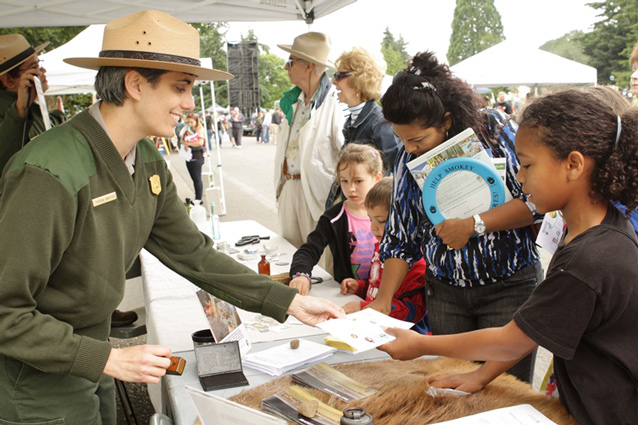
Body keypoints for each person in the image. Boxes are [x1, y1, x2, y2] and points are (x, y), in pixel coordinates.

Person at [0, 11, 344, 424]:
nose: (188, 103)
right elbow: (6, 311)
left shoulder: (145, 159)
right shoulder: (49, 172)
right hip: (36, 382)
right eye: (180, 87)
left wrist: (287, 301)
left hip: (91, 364)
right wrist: (104, 357)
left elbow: (194, 255)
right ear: (133, 84)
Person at [379, 89, 638, 425]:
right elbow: (535, 328)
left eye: (527, 164)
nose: (519, 177)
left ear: (573, 164)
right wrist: (480, 377)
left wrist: (420, 345)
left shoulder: (589, 261)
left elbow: (508, 340)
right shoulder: (592, 233)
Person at [372, 52, 543, 384]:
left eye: (417, 139)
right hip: (446, 296)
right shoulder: (409, 158)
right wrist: (382, 299)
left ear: (446, 121)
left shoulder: (495, 130)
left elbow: (537, 202)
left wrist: (475, 224)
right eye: (401, 140)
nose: (408, 149)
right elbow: (400, 240)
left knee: (506, 392)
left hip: (509, 287)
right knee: (452, 391)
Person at [274, 31, 345, 248]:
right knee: (288, 253)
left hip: (317, 193)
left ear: (308, 66)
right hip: (289, 186)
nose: (286, 67)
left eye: (291, 62)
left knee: (320, 260)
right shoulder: (293, 101)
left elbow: (346, 154)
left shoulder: (334, 104)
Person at [289, 143, 382, 295]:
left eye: (358, 181)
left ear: (376, 178)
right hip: (349, 295)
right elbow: (310, 249)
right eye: (344, 181)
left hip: (386, 296)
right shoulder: (334, 217)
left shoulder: (391, 213)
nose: (350, 188)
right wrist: (301, 275)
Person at [340, 177, 429, 332]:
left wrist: (364, 308)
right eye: (370, 219)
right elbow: (377, 285)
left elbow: (412, 311)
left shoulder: (416, 263)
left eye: (381, 221)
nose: (373, 228)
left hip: (403, 338)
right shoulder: (380, 246)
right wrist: (360, 287)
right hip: (373, 325)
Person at [325, 47, 401, 207]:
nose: (334, 81)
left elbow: (393, 175)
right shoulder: (353, 120)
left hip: (367, 215)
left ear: (360, 80)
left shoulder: (379, 122)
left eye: (339, 75)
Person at [0, 34, 65, 171]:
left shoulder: (31, 108)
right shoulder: (12, 110)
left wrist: (59, 115)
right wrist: (20, 109)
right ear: (8, 81)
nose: (42, 71)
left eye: (39, 64)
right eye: (33, 67)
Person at [180, 112, 206, 202]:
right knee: (194, 178)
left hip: (197, 155)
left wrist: (188, 143)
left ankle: (198, 199)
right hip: (188, 155)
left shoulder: (199, 130)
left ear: (196, 121)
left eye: (191, 122)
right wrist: (185, 142)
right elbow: (181, 139)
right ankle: (198, 197)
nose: (189, 124)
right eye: (188, 122)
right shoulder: (186, 129)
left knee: (197, 178)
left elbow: (200, 143)